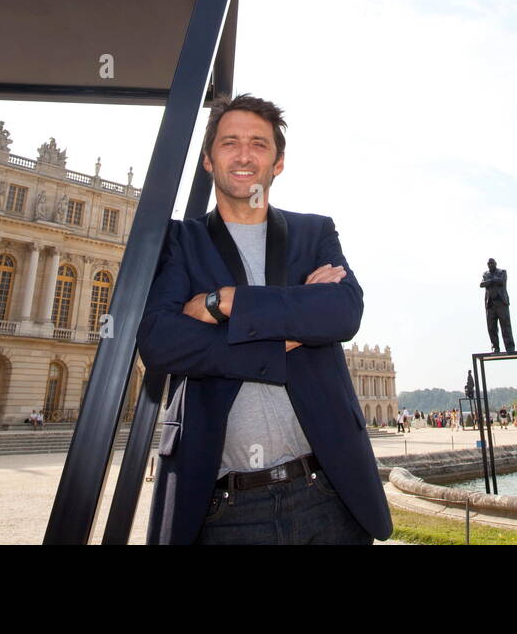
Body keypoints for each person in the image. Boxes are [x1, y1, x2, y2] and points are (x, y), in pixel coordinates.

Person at [137, 94, 391, 545]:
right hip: (224, 507)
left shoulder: (314, 231)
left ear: (277, 163)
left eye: (259, 143)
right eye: (229, 142)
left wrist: (225, 303)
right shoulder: (180, 239)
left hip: (328, 495)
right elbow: (161, 342)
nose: (244, 154)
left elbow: (342, 313)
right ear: (209, 160)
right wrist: (285, 331)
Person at [480, 258, 514, 353]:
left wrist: (490, 281)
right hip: (490, 303)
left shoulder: (502, 272)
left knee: (505, 325)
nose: (490, 265)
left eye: (492, 263)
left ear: (495, 263)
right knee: (491, 327)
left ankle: (510, 347)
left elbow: (501, 281)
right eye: (489, 263)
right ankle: (495, 347)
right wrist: (493, 281)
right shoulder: (485, 274)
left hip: (501, 302)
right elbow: (482, 284)